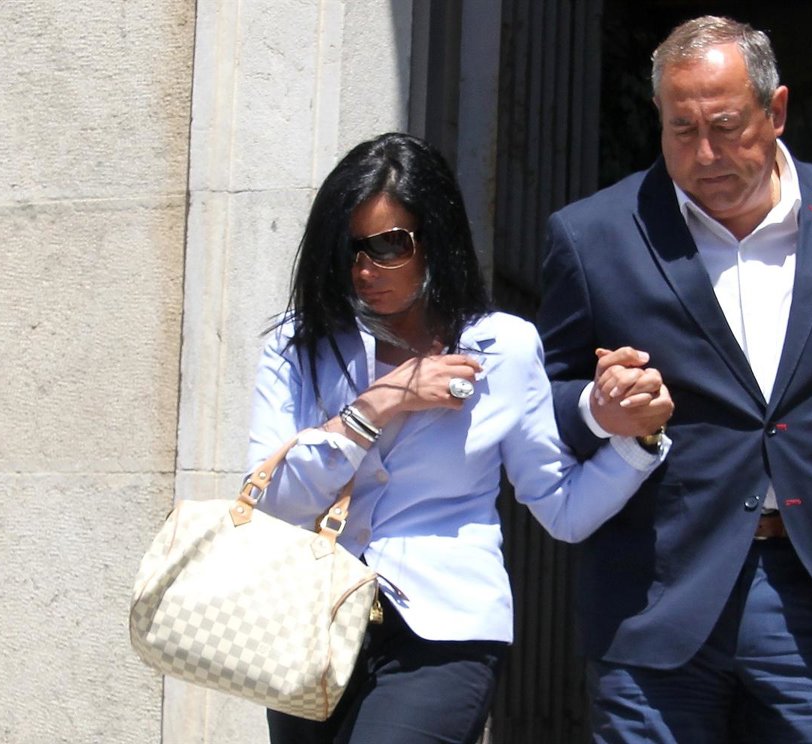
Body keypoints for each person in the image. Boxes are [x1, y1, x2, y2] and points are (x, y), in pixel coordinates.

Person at [537, 16, 812, 744]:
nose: (705, 154)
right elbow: (543, 400)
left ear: (775, 110)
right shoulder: (593, 235)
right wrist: (600, 408)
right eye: (681, 129)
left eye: (726, 127)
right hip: (657, 594)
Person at [246, 132, 673, 744]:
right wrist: (379, 403)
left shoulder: (504, 347)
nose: (364, 270)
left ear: (435, 239)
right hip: (308, 628)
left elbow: (563, 508)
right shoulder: (300, 346)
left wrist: (638, 443)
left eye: (389, 245)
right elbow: (270, 503)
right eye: (349, 249)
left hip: (444, 631)